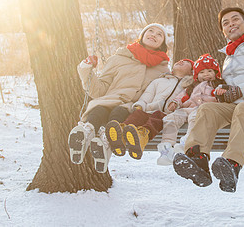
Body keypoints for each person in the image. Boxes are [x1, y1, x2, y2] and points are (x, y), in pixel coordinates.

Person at [173, 7, 244, 192]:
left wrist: (239, 91)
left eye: (235, 19)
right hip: (236, 108)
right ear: (223, 31)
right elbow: (231, 90)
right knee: (206, 111)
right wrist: (222, 91)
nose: (231, 24)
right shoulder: (229, 57)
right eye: (225, 23)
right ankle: (198, 160)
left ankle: (232, 165)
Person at [68, 23, 170, 174]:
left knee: (119, 112)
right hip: (110, 99)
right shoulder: (119, 58)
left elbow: (164, 92)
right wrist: (86, 70)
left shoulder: (163, 69)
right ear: (142, 35)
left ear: (162, 44)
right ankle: (86, 133)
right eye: (150, 31)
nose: (154, 35)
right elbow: (99, 90)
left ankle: (104, 143)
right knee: (101, 109)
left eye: (159, 35)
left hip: (132, 108)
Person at [104, 59, 194, 162]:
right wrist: (140, 106)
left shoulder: (190, 87)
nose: (181, 61)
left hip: (167, 114)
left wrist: (177, 107)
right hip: (149, 109)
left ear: (191, 71)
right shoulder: (159, 81)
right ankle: (120, 135)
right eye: (179, 60)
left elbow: (189, 101)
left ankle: (142, 136)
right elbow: (147, 96)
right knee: (137, 115)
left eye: (186, 62)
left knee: (157, 118)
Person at [157, 54, 225, 165]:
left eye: (209, 71)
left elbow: (222, 98)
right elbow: (182, 96)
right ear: (196, 75)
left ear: (216, 73)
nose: (206, 74)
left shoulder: (218, 85)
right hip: (188, 108)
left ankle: (187, 142)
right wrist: (176, 102)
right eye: (202, 72)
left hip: (204, 110)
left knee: (195, 117)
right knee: (170, 118)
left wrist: (220, 93)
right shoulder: (192, 86)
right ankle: (167, 147)